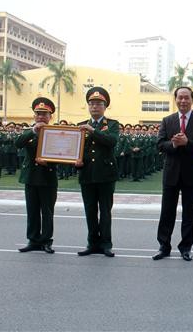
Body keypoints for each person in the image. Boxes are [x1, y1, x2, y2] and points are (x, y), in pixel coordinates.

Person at [152, 86, 193, 261]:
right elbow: (160, 145)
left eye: (187, 98)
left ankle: (186, 247)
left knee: (189, 213)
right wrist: (175, 145)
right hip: (171, 173)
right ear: (175, 99)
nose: (183, 101)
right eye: (180, 98)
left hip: (191, 173)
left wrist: (187, 142)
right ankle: (164, 246)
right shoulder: (167, 120)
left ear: (192, 100)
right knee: (167, 212)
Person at [75, 87, 120, 257]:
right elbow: (76, 150)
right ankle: (92, 243)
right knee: (90, 210)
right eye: (92, 104)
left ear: (105, 106)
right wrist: (76, 162)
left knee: (105, 211)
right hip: (87, 174)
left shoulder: (112, 125)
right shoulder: (80, 126)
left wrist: (93, 131)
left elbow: (111, 142)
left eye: (98, 104)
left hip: (106, 174)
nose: (95, 107)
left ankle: (106, 243)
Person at [15, 97, 58, 253]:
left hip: (48, 176)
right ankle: (33, 240)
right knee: (32, 210)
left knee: (47, 212)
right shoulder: (29, 132)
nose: (41, 117)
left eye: (44, 114)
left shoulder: (56, 133)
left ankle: (46, 241)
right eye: (38, 113)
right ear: (34, 116)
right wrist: (33, 130)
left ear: (50, 116)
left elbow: (62, 155)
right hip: (31, 177)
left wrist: (49, 163)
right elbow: (18, 143)